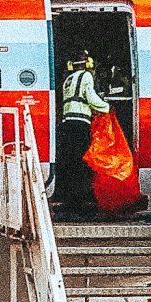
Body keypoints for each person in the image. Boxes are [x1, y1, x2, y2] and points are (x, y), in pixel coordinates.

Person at [56, 54, 111, 217]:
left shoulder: (68, 79)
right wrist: (106, 107)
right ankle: (78, 202)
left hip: (67, 124)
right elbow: (91, 97)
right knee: (81, 163)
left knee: (69, 163)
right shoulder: (86, 76)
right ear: (88, 65)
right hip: (80, 124)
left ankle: (68, 200)